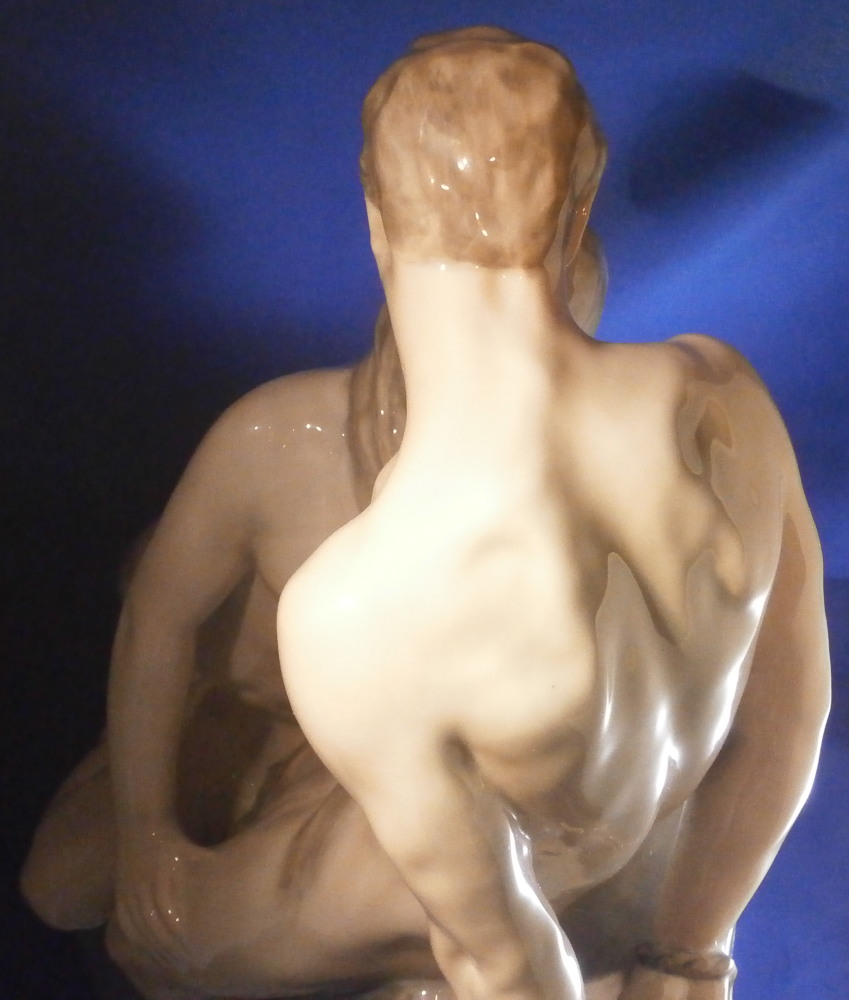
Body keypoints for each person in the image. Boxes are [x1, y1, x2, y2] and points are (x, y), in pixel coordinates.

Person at [21, 28, 609, 1000]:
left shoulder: (550, 482)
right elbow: (157, 621)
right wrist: (148, 826)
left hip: (366, 762)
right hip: (234, 711)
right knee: (68, 890)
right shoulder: (277, 436)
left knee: (403, 910)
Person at [277, 25, 830, 1000]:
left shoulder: (348, 612)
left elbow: (500, 964)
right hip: (655, 872)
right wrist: (689, 955)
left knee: (161, 927)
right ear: (579, 209)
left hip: (514, 910)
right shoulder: (725, 395)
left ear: (375, 219)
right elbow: (789, 715)